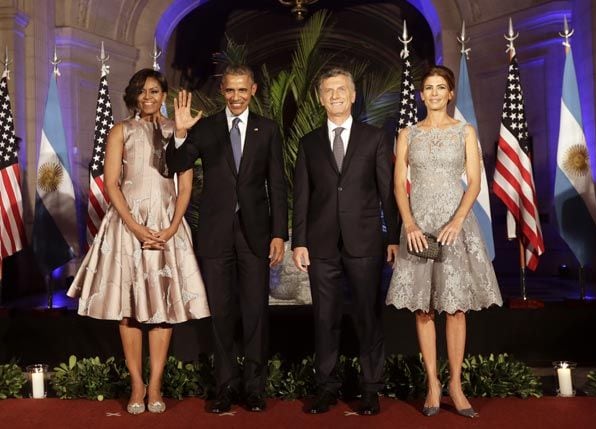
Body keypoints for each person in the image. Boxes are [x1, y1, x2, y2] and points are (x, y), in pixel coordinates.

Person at [67, 68, 210, 415]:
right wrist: (135, 227)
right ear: (133, 96)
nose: (149, 97)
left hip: (166, 226)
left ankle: (156, 384)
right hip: (127, 227)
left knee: (163, 311)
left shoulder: (179, 130)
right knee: (128, 310)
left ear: (165, 95)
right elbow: (112, 184)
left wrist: (173, 227)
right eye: (143, 91)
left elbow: (186, 186)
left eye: (155, 91)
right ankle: (136, 385)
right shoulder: (121, 131)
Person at [166, 65, 288, 413]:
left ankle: (254, 388)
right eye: (230, 90)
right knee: (221, 314)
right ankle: (225, 386)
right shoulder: (204, 127)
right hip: (216, 235)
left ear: (253, 89)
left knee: (255, 313)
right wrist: (179, 132)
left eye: (242, 90)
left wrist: (279, 233)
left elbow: (277, 185)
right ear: (222, 90)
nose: (236, 97)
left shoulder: (268, 130)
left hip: (256, 236)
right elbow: (175, 162)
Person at [386, 65, 502, 418]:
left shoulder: (465, 132)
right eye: (429, 88)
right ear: (421, 95)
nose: (434, 93)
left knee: (455, 308)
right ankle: (433, 384)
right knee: (424, 308)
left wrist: (457, 221)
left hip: (455, 228)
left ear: (451, 93)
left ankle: (455, 384)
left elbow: (476, 184)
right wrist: (409, 225)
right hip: (418, 228)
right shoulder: (407, 134)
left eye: (440, 87)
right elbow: (397, 185)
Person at [292, 68, 399, 415]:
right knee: (325, 318)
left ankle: (371, 388)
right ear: (320, 98)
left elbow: (387, 191)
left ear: (353, 96)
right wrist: (299, 241)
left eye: (341, 89)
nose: (335, 95)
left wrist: (393, 237)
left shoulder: (375, 138)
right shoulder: (308, 143)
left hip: (366, 242)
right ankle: (326, 387)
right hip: (320, 245)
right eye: (328, 90)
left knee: (367, 316)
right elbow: (302, 196)